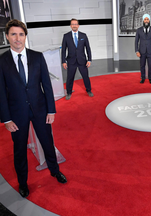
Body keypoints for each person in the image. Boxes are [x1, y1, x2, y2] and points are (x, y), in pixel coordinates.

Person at [0, 19, 67, 198]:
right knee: (19, 149)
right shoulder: (2, 61)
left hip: (40, 110)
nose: (17, 38)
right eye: (13, 34)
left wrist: (51, 110)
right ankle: (23, 182)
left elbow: (46, 84)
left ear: (25, 36)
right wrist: (6, 119)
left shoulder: (37, 57)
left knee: (47, 143)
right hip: (16, 114)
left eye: (21, 34)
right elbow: (0, 92)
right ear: (7, 37)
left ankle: (54, 170)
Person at [61, 18, 93, 100]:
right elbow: (64, 50)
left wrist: (89, 59)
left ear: (78, 25)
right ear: (70, 26)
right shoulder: (66, 36)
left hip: (82, 60)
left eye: (75, 24)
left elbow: (88, 48)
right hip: (71, 61)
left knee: (85, 76)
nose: (74, 25)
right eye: (72, 24)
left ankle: (88, 90)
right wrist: (63, 61)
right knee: (70, 77)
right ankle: (69, 92)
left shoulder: (83, 35)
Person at [135, 14, 151, 84]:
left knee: (150, 65)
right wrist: (137, 51)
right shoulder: (139, 30)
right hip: (141, 51)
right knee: (142, 65)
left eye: (147, 19)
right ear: (143, 20)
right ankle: (143, 78)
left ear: (149, 20)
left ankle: (150, 78)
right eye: (145, 19)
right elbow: (136, 41)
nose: (146, 21)